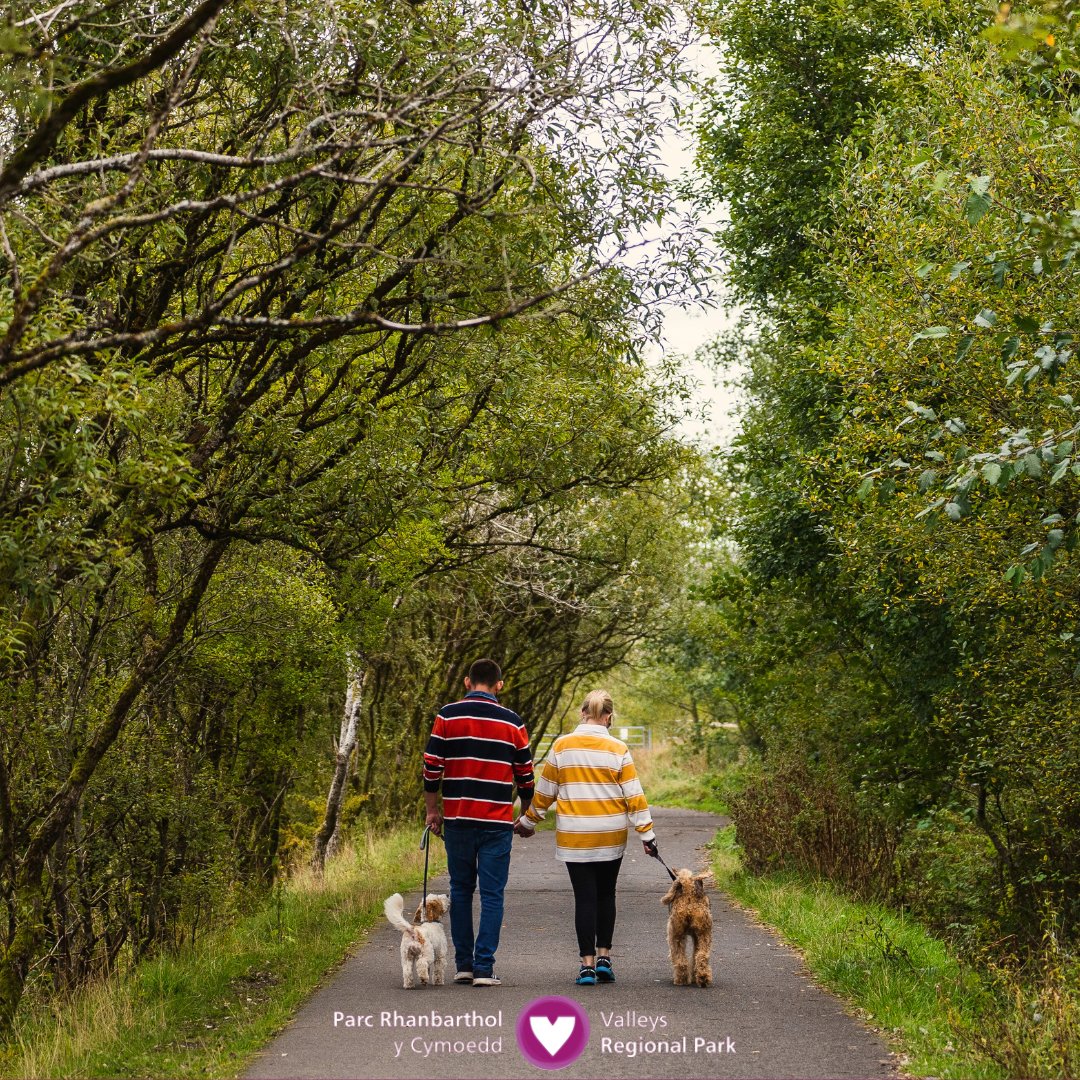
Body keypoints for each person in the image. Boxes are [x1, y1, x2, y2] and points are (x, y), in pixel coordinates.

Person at [513, 689, 657, 985]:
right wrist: (647, 834)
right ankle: (604, 958)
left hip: (575, 834)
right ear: (608, 717)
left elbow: (545, 793)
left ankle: (587, 966)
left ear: (582, 713)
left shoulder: (562, 746)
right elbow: (634, 795)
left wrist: (528, 821)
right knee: (607, 894)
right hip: (610, 833)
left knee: (584, 898)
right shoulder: (618, 748)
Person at [423, 658, 534, 987]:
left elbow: (432, 767)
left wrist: (432, 810)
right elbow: (526, 777)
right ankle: (484, 969)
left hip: (457, 818)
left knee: (460, 890)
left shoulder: (447, 716)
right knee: (492, 895)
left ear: (468, 681)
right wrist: (525, 815)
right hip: (496, 822)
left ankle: (464, 966)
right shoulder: (513, 723)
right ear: (499, 685)